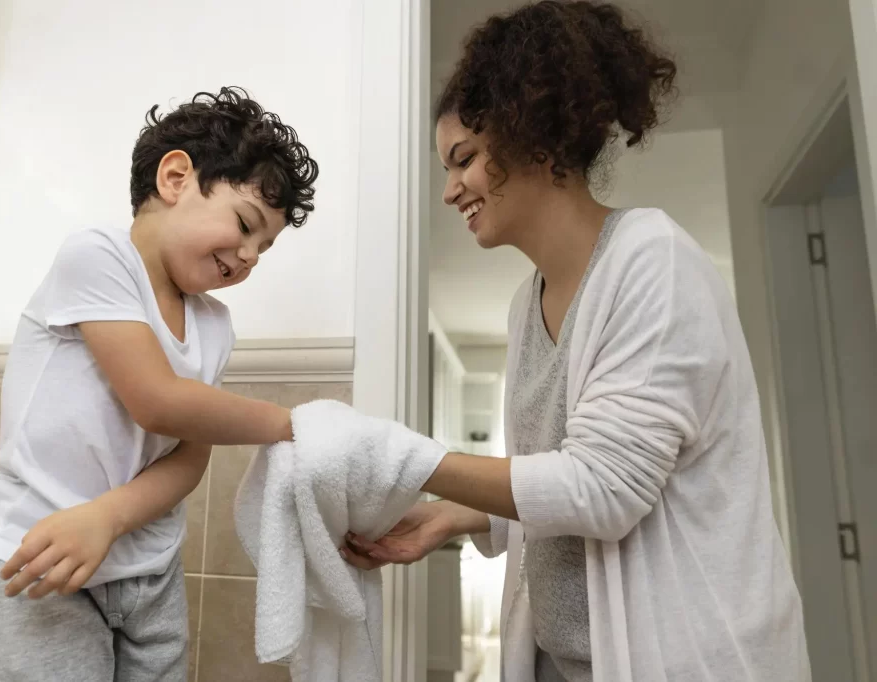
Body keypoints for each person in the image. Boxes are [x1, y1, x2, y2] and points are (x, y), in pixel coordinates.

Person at [341, 3, 809, 681]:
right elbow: (555, 476)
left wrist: (400, 458)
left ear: (533, 135)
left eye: (463, 159)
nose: (449, 191)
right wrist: (447, 517)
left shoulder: (653, 262)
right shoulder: (522, 310)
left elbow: (603, 487)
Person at [0, 87, 319, 681]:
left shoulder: (214, 326)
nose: (249, 257)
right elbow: (158, 403)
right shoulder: (99, 256)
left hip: (148, 565)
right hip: (47, 555)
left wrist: (109, 517)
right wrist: (296, 426)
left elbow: (188, 459)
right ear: (176, 177)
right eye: (244, 225)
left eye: (264, 249)